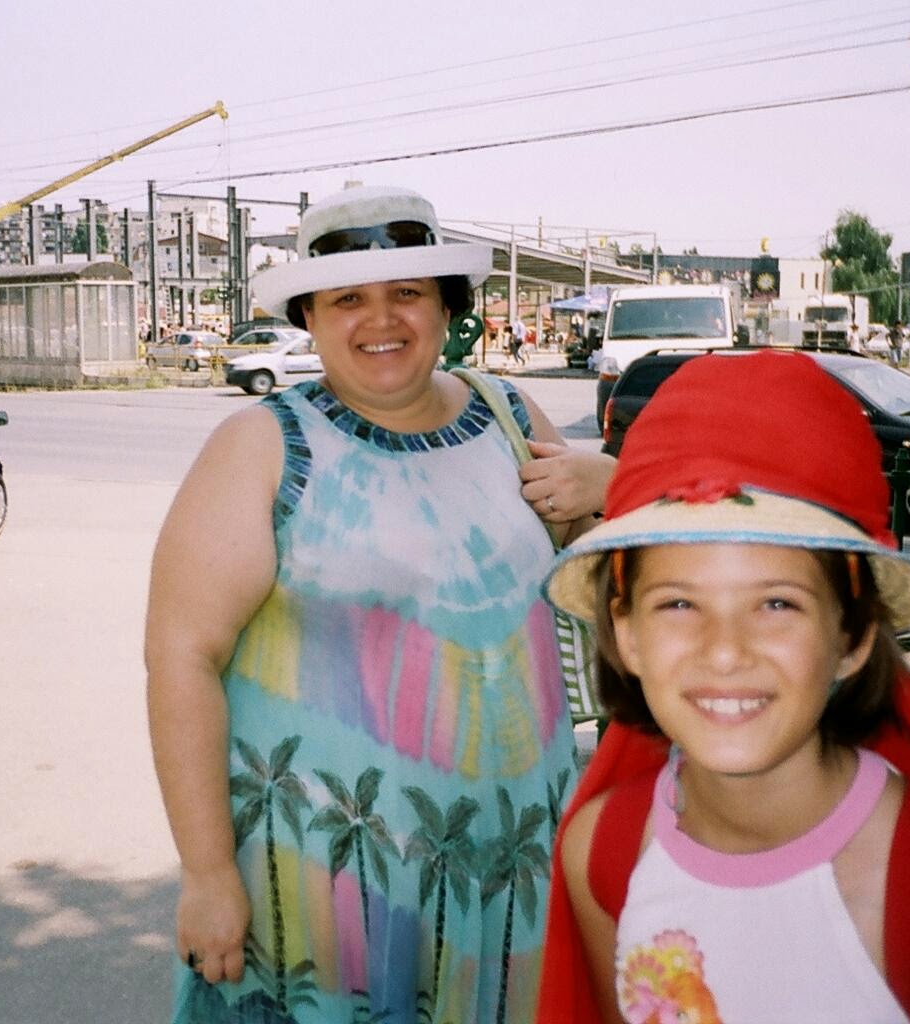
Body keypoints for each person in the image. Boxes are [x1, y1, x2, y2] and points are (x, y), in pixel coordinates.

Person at [146, 185, 614, 1024]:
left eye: (406, 293)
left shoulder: (508, 413)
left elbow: (621, 578)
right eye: (347, 299)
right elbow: (181, 656)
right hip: (325, 893)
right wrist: (207, 872)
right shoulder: (262, 445)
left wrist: (612, 486)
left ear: (445, 309)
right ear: (311, 318)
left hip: (507, 881)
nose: (380, 319)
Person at [537, 351, 910, 1023]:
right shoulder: (600, 853)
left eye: (777, 604)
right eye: (677, 604)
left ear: (851, 634)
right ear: (626, 633)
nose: (724, 652)